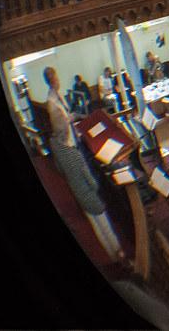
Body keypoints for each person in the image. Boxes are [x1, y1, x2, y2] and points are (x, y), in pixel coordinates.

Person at [43, 67, 125, 261]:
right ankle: (118, 252)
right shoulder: (75, 155)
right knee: (104, 222)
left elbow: (61, 170)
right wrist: (94, 184)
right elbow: (94, 184)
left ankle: (113, 255)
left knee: (96, 224)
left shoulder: (56, 147)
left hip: (77, 191)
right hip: (89, 196)